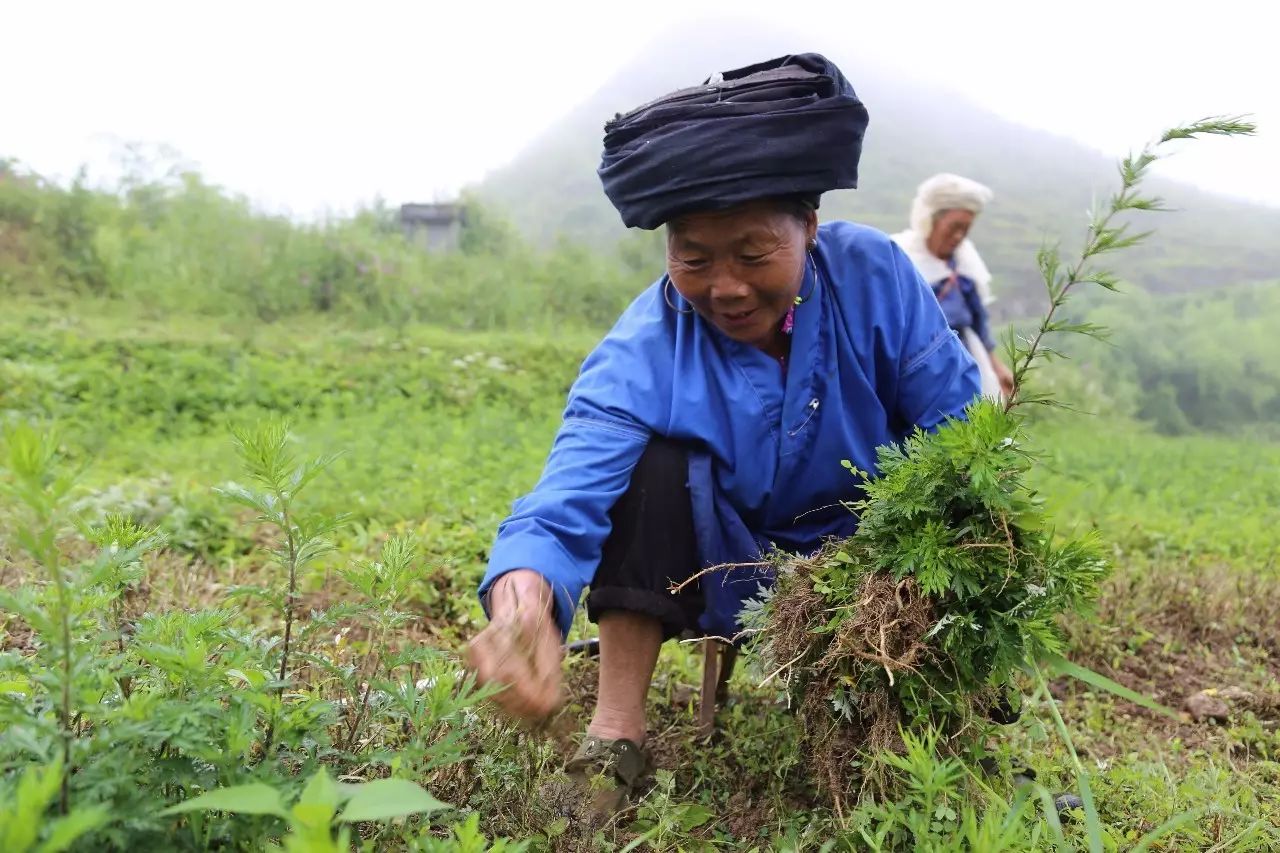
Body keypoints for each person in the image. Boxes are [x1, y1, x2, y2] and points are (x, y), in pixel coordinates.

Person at [465, 53, 980, 816]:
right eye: (694, 259)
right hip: (725, 558)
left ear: (808, 226)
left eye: (751, 253)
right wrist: (522, 605)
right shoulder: (644, 349)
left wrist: (943, 566)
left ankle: (918, 713)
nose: (726, 287)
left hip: (879, 551)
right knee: (651, 463)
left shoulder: (872, 276)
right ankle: (615, 738)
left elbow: (956, 432)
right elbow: (562, 503)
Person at [891, 174, 1015, 400]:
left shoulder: (963, 266)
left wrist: (997, 368)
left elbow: (978, 324)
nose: (959, 236)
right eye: (954, 226)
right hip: (915, 364)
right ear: (932, 220)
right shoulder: (901, 259)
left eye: (966, 229)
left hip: (967, 361)